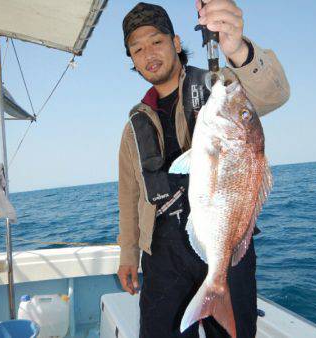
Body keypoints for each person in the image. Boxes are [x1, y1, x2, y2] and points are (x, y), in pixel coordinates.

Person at [117, 1, 290, 337]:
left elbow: (273, 94)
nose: (148, 53)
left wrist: (238, 48)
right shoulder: (133, 126)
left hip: (226, 243)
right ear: (134, 63)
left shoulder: (220, 88)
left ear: (176, 43)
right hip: (162, 254)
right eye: (137, 49)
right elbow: (129, 195)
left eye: (156, 41)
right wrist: (128, 255)